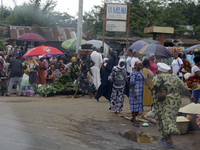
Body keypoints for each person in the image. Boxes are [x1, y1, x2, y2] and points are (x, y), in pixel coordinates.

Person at [152, 63, 195, 147]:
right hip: (175, 101)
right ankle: (165, 137)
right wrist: (190, 97)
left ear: (159, 70)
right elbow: (185, 88)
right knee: (170, 118)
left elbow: (155, 85)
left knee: (163, 118)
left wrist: (159, 92)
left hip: (164, 101)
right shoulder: (175, 77)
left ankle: (169, 141)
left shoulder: (158, 76)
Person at [129, 61, 144, 127]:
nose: (140, 66)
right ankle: (134, 120)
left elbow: (144, 79)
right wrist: (134, 93)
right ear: (136, 66)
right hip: (134, 92)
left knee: (139, 106)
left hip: (140, 92)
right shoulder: (133, 73)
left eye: (141, 65)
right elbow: (132, 84)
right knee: (134, 106)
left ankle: (133, 118)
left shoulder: (141, 72)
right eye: (139, 65)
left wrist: (148, 85)